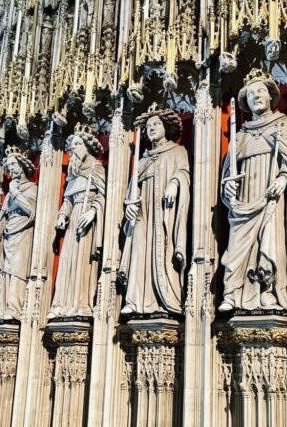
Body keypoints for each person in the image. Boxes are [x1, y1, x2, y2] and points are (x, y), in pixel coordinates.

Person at [219, 69, 287, 312]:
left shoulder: (284, 125)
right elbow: (228, 173)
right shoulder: (240, 135)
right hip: (245, 199)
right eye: (251, 93)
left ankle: (268, 290)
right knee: (237, 248)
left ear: (271, 96)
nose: (256, 96)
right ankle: (233, 293)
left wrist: (284, 178)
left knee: (269, 242)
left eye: (261, 91)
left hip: (270, 195)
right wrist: (228, 186)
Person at [119, 105, 189, 315]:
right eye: (148, 126)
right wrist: (130, 206)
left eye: (156, 124)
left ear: (166, 127)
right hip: (143, 212)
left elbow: (184, 173)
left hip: (165, 211)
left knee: (164, 250)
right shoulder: (142, 160)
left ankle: (167, 300)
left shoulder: (177, 151)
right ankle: (135, 300)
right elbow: (133, 190)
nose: (151, 128)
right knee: (139, 250)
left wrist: (175, 183)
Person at [50, 127, 106, 318]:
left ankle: (81, 304)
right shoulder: (74, 174)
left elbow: (104, 195)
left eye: (78, 144)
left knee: (82, 262)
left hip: (86, 220)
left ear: (87, 147)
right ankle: (62, 304)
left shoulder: (97, 168)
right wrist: (62, 215)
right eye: (72, 145)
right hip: (74, 220)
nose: (74, 148)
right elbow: (68, 199)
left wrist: (93, 211)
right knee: (68, 262)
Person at [0, 145, 38, 320]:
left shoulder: (31, 188)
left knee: (17, 269)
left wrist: (16, 193)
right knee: (5, 270)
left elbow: (32, 211)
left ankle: (15, 308)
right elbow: (2, 217)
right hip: (9, 234)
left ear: (23, 165)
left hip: (23, 232)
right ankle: (2, 308)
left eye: (14, 165)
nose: (11, 170)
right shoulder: (9, 194)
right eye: (9, 167)